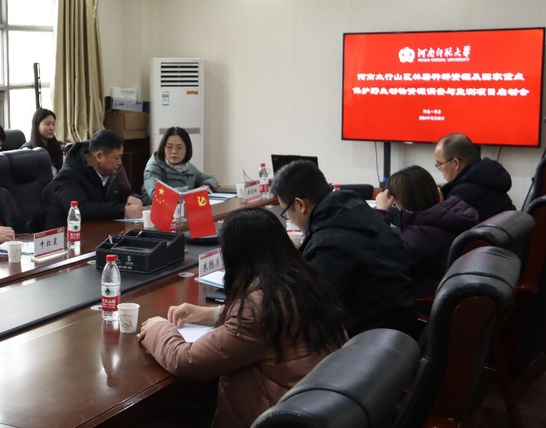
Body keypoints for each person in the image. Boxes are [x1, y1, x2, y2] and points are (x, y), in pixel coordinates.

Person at [138, 208, 348, 427]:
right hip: (316, 407)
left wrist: (158, 327)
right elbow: (273, 321)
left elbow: (186, 360)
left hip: (274, 418)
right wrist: (209, 314)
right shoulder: (306, 280)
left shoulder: (257, 309)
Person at [271, 160, 417, 337]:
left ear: (301, 205)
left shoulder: (328, 244)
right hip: (399, 331)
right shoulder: (357, 211)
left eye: (286, 212)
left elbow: (311, 309)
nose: (289, 218)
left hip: (369, 341)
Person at [374, 165, 479, 300]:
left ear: (400, 200)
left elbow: (381, 257)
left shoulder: (420, 235)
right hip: (437, 283)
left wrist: (381, 212)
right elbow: (414, 219)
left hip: (419, 296)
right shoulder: (443, 215)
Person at [45, 129, 143, 228]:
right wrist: (123, 211)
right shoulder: (68, 176)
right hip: (67, 234)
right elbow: (80, 209)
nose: (120, 162)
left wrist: (133, 197)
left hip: (98, 231)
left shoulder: (107, 173)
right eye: (117, 158)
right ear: (99, 156)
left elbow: (125, 192)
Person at [434, 132, 516, 221]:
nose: (440, 168)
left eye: (439, 163)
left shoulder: (463, 195)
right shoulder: (487, 177)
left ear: (455, 163)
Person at [141, 126, 217, 204]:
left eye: (179, 148)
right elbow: (156, 194)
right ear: (163, 148)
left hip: (183, 208)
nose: (174, 151)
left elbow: (210, 179)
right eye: (169, 147)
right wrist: (190, 191)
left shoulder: (188, 167)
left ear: (187, 149)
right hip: (156, 208)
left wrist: (205, 186)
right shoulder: (153, 168)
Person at [22, 109, 63, 175]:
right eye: (48, 124)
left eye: (53, 124)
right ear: (37, 125)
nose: (52, 128)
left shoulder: (57, 146)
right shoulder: (28, 150)